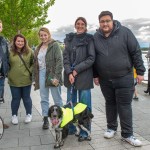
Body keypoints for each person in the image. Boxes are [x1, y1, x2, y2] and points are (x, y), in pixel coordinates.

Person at [93, 11, 145, 146]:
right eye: (102, 21)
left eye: (107, 21)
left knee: (124, 106)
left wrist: (140, 71)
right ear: (99, 23)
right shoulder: (96, 37)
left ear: (112, 21)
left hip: (124, 77)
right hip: (105, 79)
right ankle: (111, 128)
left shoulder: (125, 32)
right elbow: (93, 58)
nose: (105, 23)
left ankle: (127, 135)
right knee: (110, 104)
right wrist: (95, 75)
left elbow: (136, 51)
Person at [63, 17, 95, 141]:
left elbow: (91, 58)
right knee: (70, 104)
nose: (80, 26)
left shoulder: (89, 39)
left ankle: (85, 132)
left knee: (83, 106)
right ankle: (70, 128)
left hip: (84, 77)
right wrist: (70, 72)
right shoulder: (69, 39)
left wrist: (76, 70)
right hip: (70, 77)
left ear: (85, 26)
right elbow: (65, 57)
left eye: (82, 24)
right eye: (78, 24)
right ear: (75, 25)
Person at [33, 27, 63, 130]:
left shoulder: (54, 45)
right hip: (41, 73)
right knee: (43, 98)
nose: (43, 37)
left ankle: (61, 119)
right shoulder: (38, 47)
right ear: (39, 36)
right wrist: (34, 79)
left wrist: (57, 77)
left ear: (49, 34)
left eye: (45, 35)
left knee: (57, 98)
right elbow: (35, 64)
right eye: (41, 35)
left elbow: (59, 61)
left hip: (52, 74)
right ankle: (45, 119)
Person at [8, 34, 34, 125]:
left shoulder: (29, 51)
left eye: (22, 41)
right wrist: (8, 74)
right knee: (15, 99)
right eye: (18, 41)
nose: (20, 43)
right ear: (15, 42)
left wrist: (29, 72)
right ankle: (14, 115)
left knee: (26, 98)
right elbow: (6, 64)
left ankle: (29, 114)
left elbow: (34, 63)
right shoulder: (10, 52)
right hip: (13, 80)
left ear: (25, 42)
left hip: (26, 80)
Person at [0, 20, 9, 129]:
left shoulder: (3, 41)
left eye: (0, 26)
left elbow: (6, 57)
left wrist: (6, 71)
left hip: (1, 76)